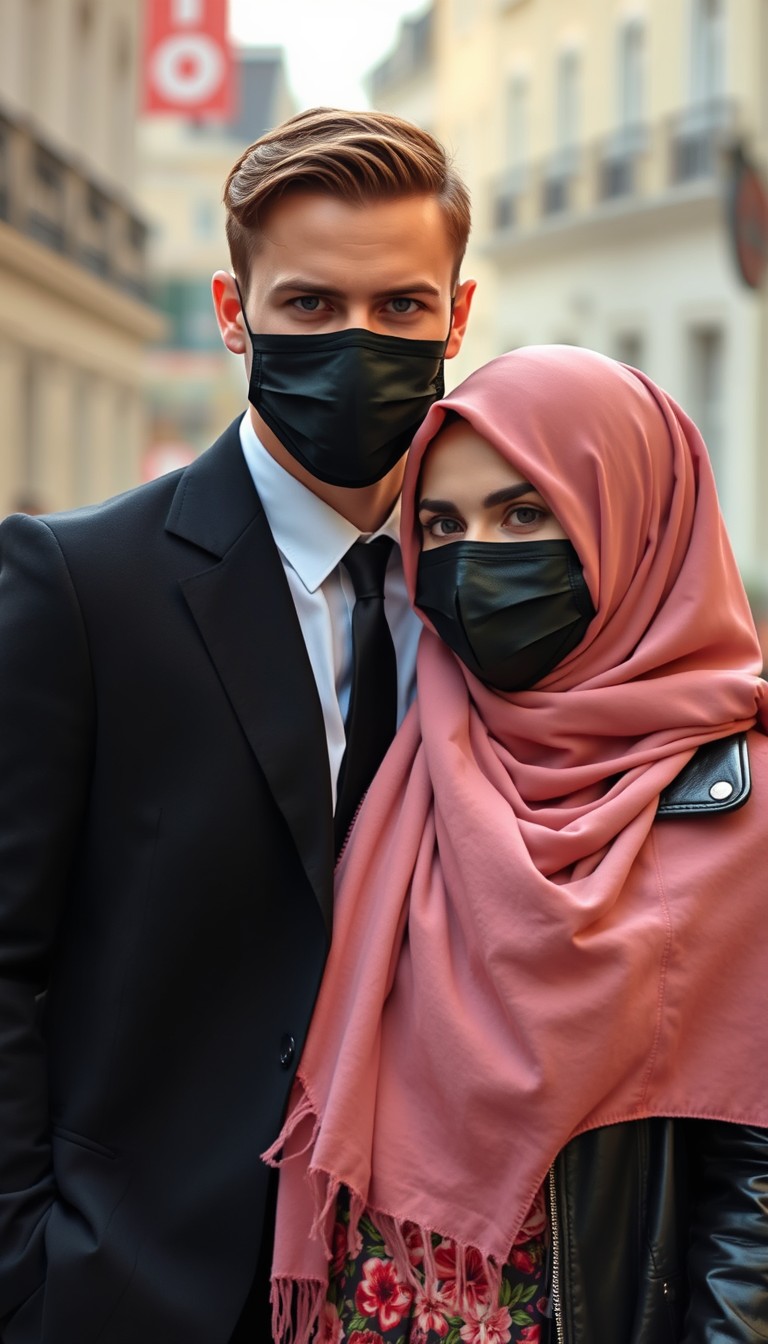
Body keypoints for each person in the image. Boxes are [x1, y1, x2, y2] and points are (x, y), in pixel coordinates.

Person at [0, 107, 475, 1343]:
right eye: (311, 306)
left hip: (422, 1296)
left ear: (457, 320)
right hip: (139, 1289)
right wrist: (31, 1277)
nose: (358, 343)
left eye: (402, 309)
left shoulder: (493, 590)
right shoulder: (77, 583)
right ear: (232, 310)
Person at [265, 346, 768, 1344]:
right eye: (443, 526)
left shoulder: (741, 806)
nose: (474, 560)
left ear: (632, 522)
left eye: (524, 515)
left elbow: (754, 1192)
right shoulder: (405, 756)